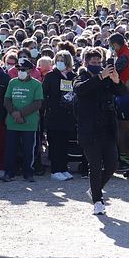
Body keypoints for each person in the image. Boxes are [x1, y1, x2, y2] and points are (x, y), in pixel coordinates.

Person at [73, 47, 125, 215]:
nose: (96, 65)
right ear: (86, 63)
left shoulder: (107, 78)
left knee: (111, 165)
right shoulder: (81, 77)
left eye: (98, 62)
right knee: (94, 166)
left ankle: (95, 189)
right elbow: (81, 90)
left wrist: (116, 80)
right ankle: (98, 200)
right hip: (89, 130)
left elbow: (122, 92)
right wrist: (100, 76)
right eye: (92, 62)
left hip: (107, 128)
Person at [3, 59, 43, 182]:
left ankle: (28, 173)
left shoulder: (36, 84)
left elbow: (37, 103)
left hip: (29, 123)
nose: (20, 71)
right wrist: (14, 113)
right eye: (19, 69)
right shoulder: (12, 82)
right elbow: (7, 100)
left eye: (23, 69)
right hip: (12, 122)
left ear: (30, 70)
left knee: (29, 149)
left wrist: (20, 114)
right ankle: (9, 173)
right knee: (10, 149)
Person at [42, 51, 77, 180]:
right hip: (54, 114)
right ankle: (55, 170)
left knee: (64, 143)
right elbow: (44, 93)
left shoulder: (73, 76)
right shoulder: (51, 76)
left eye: (62, 60)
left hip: (68, 114)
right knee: (55, 143)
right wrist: (48, 106)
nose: (60, 62)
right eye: (58, 60)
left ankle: (63, 168)